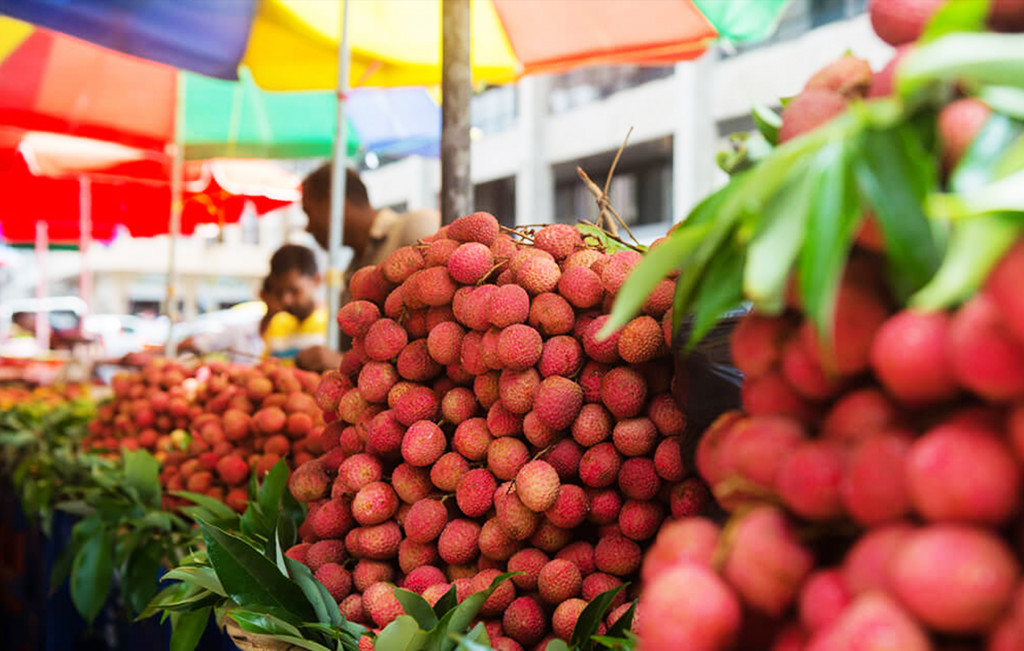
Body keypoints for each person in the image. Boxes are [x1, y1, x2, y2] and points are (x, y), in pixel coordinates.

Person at [294, 165, 441, 371]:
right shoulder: (349, 274)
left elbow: (443, 328)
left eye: (309, 213)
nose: (307, 227)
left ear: (331, 202)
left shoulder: (415, 226)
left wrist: (338, 362)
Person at [262, 244, 329, 362]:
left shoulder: (333, 324)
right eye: (279, 292)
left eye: (294, 291)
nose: (286, 300)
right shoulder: (276, 323)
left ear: (317, 280)